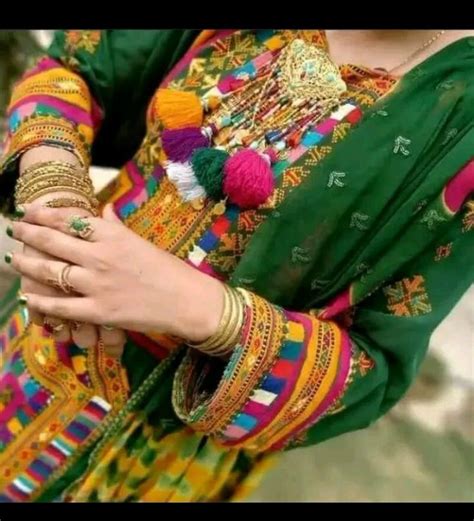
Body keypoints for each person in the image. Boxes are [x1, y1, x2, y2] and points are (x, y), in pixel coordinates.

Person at [0, 29, 472, 502]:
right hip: (30, 337)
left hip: (150, 453)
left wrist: (206, 311)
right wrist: (55, 194)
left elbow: (372, 370)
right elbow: (76, 69)